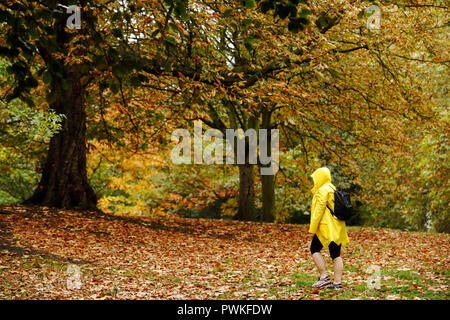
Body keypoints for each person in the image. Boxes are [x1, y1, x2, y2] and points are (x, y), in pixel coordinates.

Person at [308, 167, 349, 290]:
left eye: (315, 178)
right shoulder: (332, 188)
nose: (314, 180)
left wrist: (313, 227)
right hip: (337, 226)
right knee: (336, 254)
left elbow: (319, 210)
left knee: (314, 249)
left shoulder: (322, 190)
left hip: (327, 227)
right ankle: (337, 283)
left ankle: (323, 277)